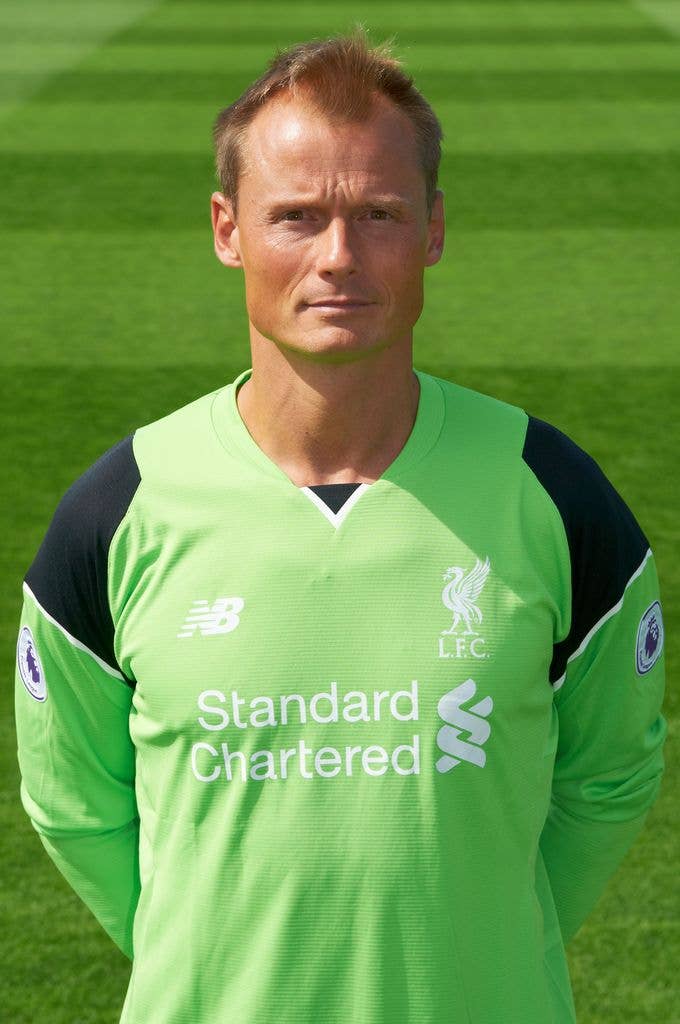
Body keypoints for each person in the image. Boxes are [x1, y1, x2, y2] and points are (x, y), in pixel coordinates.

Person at [15, 31, 666, 1024]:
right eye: (297, 216)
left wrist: (483, 939)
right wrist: (212, 954)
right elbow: (73, 803)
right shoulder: (118, 509)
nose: (338, 257)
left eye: (378, 214)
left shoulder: (554, 494)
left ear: (433, 229)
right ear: (227, 228)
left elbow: (610, 775)